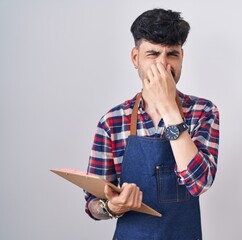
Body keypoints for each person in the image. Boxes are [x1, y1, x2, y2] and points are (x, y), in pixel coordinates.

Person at [85, 8, 220, 240]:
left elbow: (199, 183)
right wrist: (110, 207)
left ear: (182, 57)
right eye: (153, 54)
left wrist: (168, 107)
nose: (163, 65)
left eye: (172, 54)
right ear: (135, 58)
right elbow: (93, 204)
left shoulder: (203, 112)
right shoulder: (112, 121)